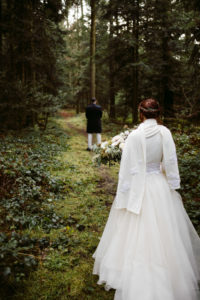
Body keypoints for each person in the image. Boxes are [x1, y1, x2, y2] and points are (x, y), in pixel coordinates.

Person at [93, 99, 200, 300]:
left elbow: (126, 169)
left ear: (141, 113)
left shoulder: (134, 136)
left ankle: (131, 270)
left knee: (134, 229)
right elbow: (170, 161)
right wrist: (172, 184)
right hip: (159, 186)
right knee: (166, 231)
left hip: (139, 188)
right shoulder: (164, 132)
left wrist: (124, 193)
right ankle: (169, 274)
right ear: (158, 114)